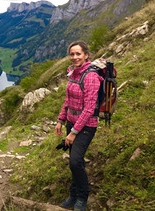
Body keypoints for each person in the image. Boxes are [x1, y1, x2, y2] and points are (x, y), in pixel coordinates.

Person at [55, 41, 103, 211]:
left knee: (75, 161)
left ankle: (82, 197)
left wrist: (74, 132)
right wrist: (61, 120)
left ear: (86, 55)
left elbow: (90, 108)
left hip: (86, 126)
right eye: (72, 54)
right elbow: (68, 99)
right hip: (71, 122)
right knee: (75, 161)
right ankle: (73, 194)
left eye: (78, 54)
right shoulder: (73, 73)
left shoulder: (90, 76)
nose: (74, 57)